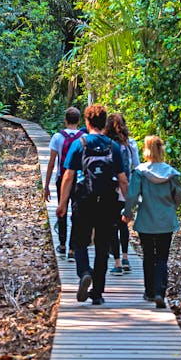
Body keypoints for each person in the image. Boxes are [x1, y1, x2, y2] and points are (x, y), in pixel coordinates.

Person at [57, 104, 128, 306]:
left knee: (80, 242)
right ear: (104, 123)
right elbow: (123, 180)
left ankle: (84, 272)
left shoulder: (79, 144)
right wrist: (129, 206)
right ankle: (97, 293)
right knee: (102, 247)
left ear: (87, 122)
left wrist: (62, 203)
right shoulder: (113, 146)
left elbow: (68, 176)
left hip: (83, 200)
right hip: (107, 203)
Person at [121, 135, 181, 309]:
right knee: (162, 257)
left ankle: (149, 292)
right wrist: (171, 206)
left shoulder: (140, 172)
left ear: (146, 150)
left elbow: (132, 195)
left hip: (146, 220)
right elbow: (179, 196)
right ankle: (160, 292)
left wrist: (127, 213)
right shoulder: (171, 173)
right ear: (161, 149)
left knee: (148, 256)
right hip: (166, 220)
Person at [44, 107, 84, 259]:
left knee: (62, 209)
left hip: (62, 178)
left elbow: (51, 162)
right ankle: (72, 248)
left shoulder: (57, 137)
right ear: (79, 121)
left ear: (65, 120)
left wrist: (46, 186)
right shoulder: (84, 137)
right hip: (79, 180)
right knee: (77, 213)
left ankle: (62, 244)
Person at [103, 113, 140, 276]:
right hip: (127, 187)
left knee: (112, 225)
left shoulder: (107, 144)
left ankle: (117, 263)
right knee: (123, 223)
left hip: (110, 188)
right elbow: (137, 166)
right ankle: (125, 258)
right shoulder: (131, 144)